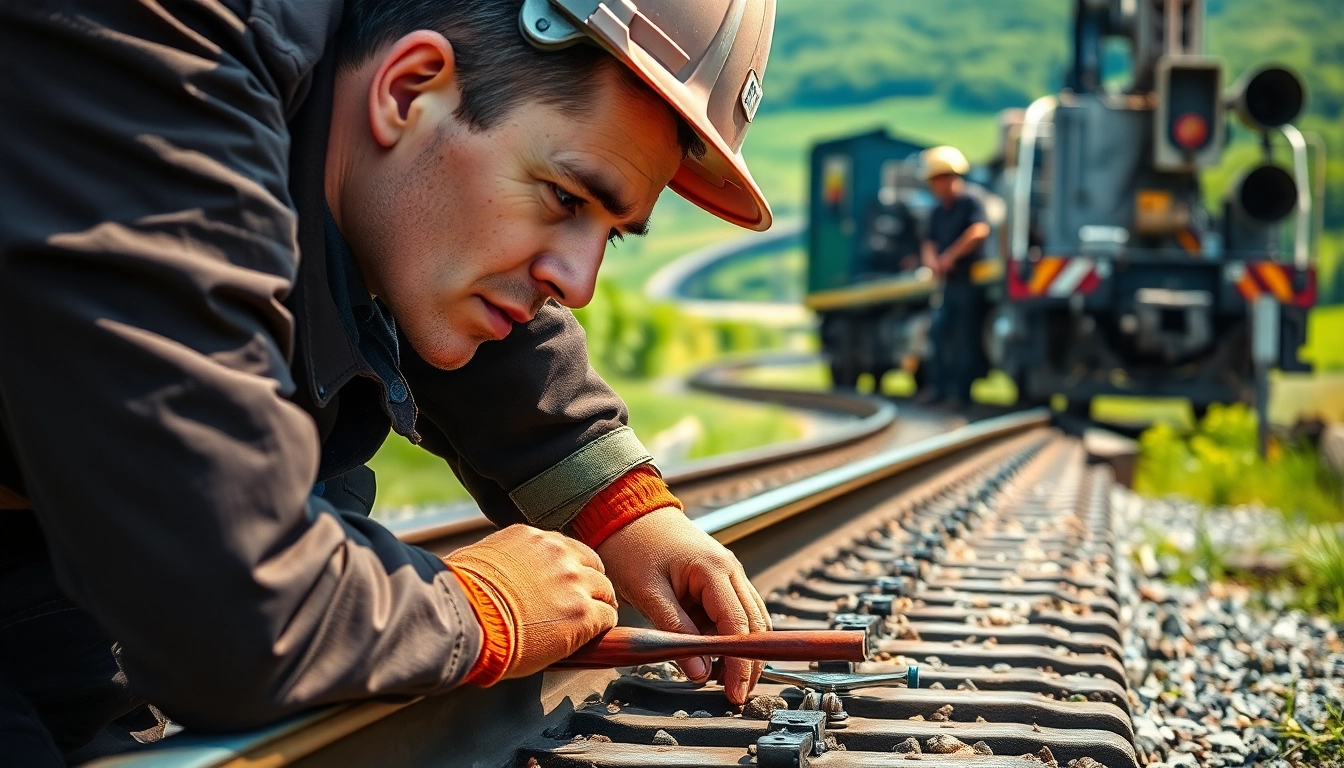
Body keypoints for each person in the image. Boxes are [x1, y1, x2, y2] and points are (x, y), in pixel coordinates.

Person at [0, 0, 777, 763]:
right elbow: (230, 608)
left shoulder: (320, 75)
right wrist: (475, 610)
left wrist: (616, 507)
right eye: (565, 198)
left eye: (607, 230)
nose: (579, 283)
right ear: (408, 88)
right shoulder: (154, 49)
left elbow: (426, 239)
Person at [918, 146, 991, 407]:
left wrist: (951, 255)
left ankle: (961, 394)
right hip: (948, 285)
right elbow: (928, 241)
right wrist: (932, 262)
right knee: (939, 334)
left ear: (949, 177)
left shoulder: (971, 201)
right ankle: (938, 388)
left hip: (969, 283)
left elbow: (980, 230)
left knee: (965, 338)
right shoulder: (938, 211)